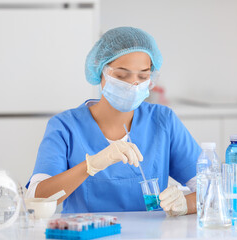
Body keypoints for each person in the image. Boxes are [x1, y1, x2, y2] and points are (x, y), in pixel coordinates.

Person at [26, 27, 201, 216]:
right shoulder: (65, 126)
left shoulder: (163, 121)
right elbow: (36, 198)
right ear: (100, 70)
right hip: (87, 235)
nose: (133, 85)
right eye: (121, 75)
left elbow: (213, 188)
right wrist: (91, 165)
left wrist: (186, 204)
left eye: (142, 76)